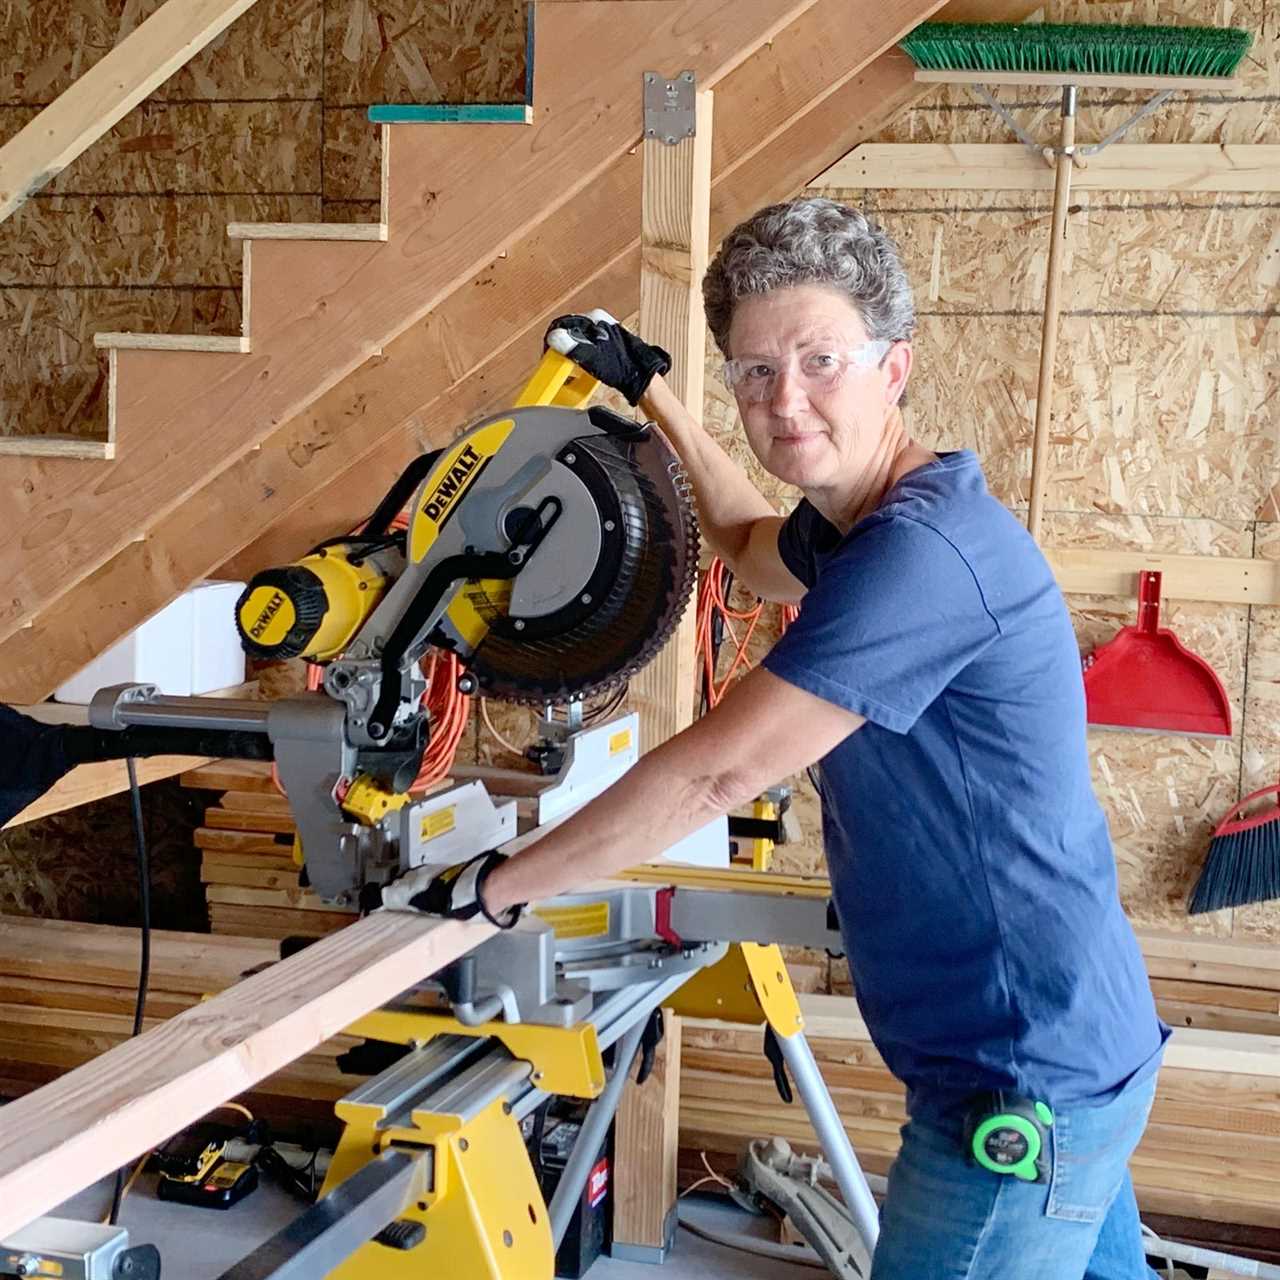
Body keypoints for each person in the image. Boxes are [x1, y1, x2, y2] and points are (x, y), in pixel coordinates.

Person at [397, 196, 1169, 1279]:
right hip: (1070, 1037)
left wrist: (498, 886)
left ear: (893, 368)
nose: (784, 399)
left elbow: (720, 766)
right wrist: (650, 388)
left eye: (818, 360)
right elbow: (743, 541)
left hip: (1015, 1076)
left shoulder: (918, 557)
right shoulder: (861, 527)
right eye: (754, 371)